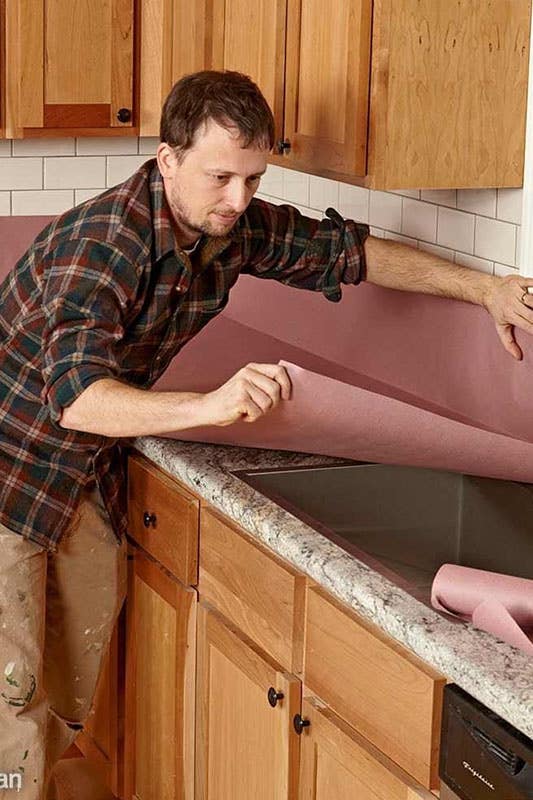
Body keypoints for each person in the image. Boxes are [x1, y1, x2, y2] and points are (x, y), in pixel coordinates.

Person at [0, 69, 532, 799]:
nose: (238, 200)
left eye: (252, 178)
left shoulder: (223, 223)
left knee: (69, 673)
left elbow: (348, 253)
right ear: (166, 159)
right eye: (221, 176)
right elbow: (78, 400)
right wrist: (209, 404)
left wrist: (485, 290)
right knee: (11, 690)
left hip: (79, 476)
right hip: (13, 475)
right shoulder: (101, 250)